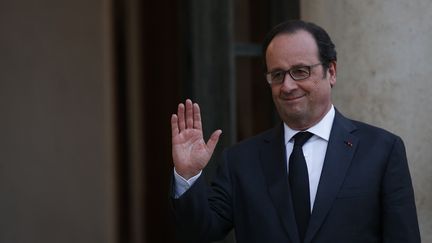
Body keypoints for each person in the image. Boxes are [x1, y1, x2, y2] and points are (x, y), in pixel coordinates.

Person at [170, 20, 420, 243]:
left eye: (300, 71)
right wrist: (188, 176)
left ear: (331, 71)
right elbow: (200, 234)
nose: (287, 86)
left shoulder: (381, 151)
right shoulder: (240, 161)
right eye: (277, 75)